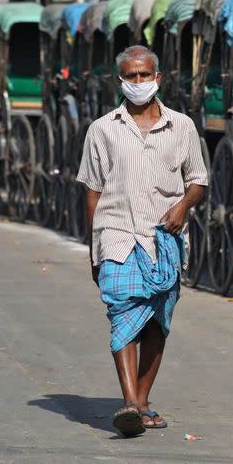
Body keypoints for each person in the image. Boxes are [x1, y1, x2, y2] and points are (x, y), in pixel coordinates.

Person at [76, 45, 207, 437]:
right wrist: (93, 248)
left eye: (143, 75)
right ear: (120, 81)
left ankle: (144, 400)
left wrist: (184, 207)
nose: (138, 83)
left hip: (164, 239)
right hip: (117, 235)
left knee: (156, 324)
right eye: (130, 76)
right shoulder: (102, 129)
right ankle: (130, 403)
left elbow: (198, 180)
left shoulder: (181, 126)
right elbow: (92, 191)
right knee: (122, 314)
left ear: (157, 78)